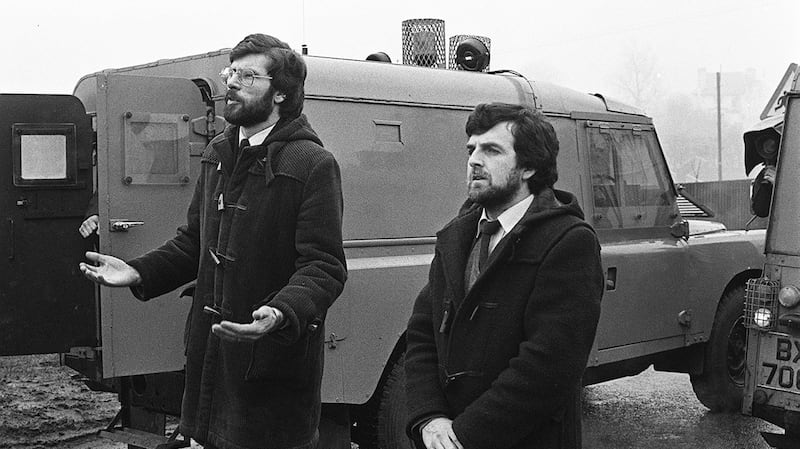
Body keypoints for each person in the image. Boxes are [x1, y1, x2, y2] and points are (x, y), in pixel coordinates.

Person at [79, 34, 346, 449]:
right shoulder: (219, 153)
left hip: (271, 369)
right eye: (230, 72)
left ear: (280, 94)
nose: (231, 84)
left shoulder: (311, 164)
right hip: (209, 362)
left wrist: (279, 312)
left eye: (247, 75)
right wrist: (137, 270)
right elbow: (194, 244)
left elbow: (324, 266)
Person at [404, 103, 603, 449]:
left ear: (528, 166)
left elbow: (548, 367)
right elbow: (423, 334)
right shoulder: (457, 236)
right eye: (471, 149)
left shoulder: (568, 242)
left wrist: (465, 436)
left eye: (491, 150)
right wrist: (430, 418)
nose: (474, 161)